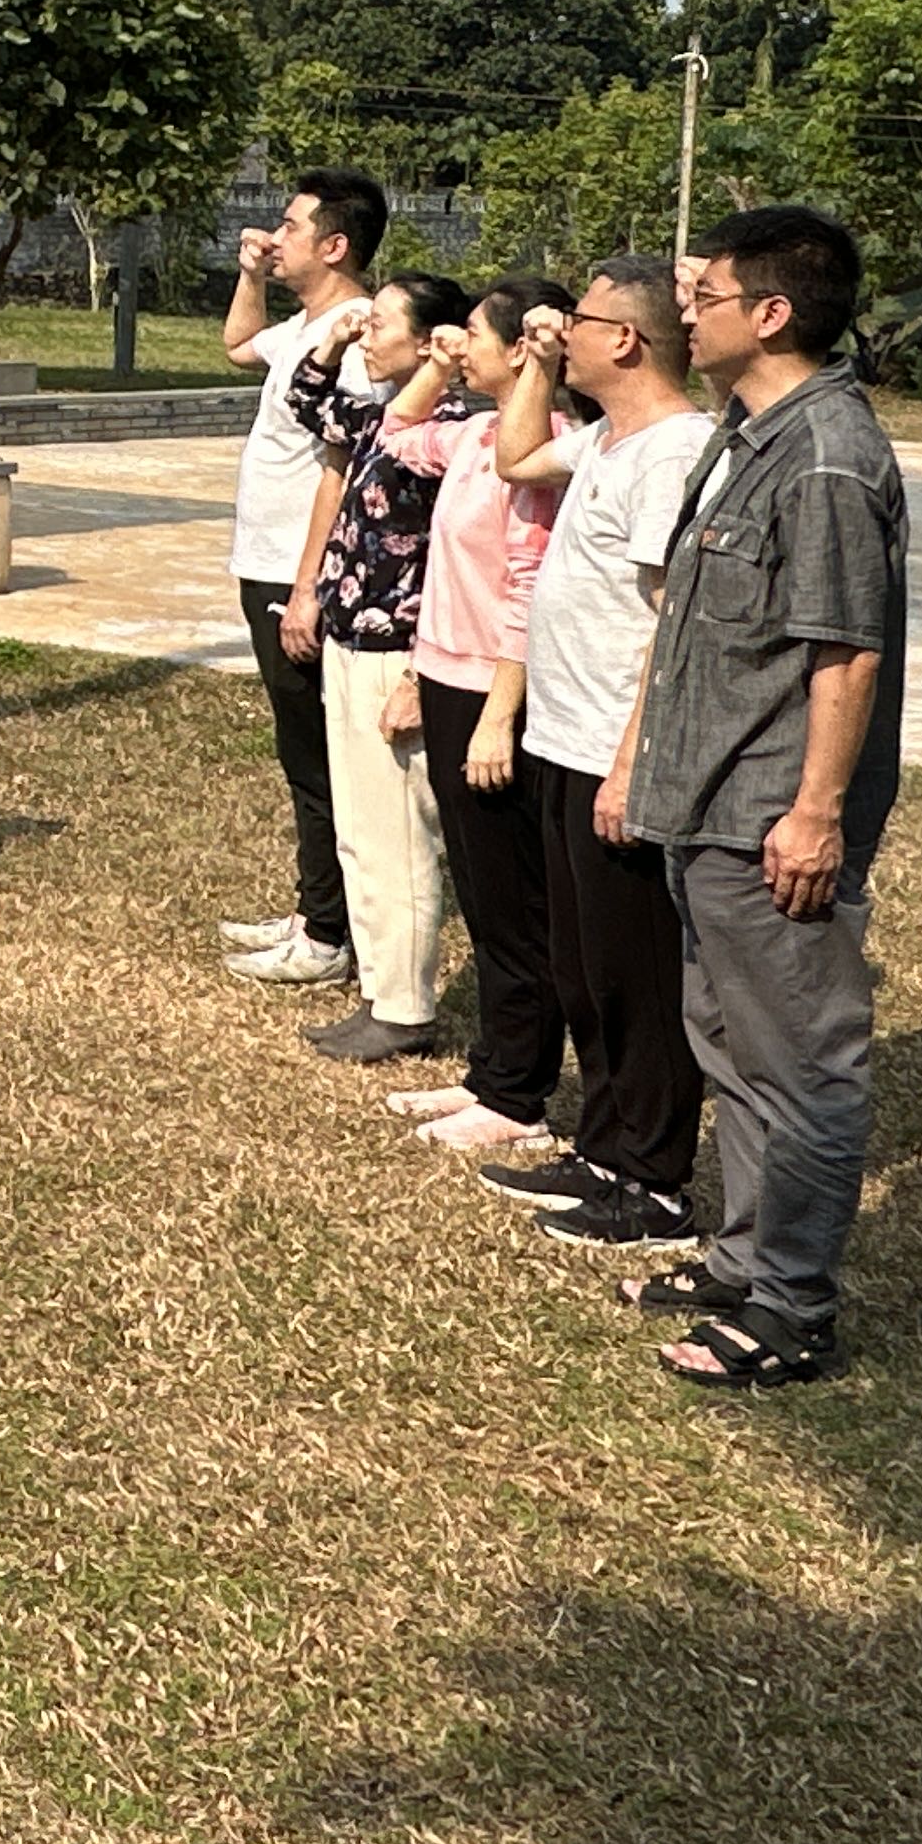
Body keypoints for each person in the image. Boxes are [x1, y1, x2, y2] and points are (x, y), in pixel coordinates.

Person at [617, 207, 905, 1390]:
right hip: (709, 806)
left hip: (770, 817)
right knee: (732, 1050)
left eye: (710, 298)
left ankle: (792, 1309)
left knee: (804, 1071)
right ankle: (741, 1261)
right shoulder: (749, 435)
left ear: (773, 315)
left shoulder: (827, 454)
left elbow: (847, 649)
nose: (687, 314)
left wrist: (816, 812)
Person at [469, 256, 717, 1251]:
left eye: (577, 318)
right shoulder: (610, 439)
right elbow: (517, 457)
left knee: (637, 975)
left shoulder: (673, 452)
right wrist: (536, 364)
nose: (561, 327)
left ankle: (654, 1183)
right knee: (585, 967)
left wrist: (631, 760)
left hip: (617, 752)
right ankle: (604, 1151)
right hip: (562, 741)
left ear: (626, 338)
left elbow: (670, 627)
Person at [363, 281, 579, 1151]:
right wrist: (442, 367)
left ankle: (519, 1097)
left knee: (511, 899)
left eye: (477, 337)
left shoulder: (541, 450)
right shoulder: (479, 434)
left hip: (497, 693)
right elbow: (395, 433)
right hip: (450, 681)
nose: (463, 347)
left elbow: (528, 590)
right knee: (486, 898)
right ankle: (493, 1074)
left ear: (521, 352)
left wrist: (498, 716)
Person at [278, 269, 477, 1063]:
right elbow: (307, 403)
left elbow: (457, 563)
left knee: (396, 833)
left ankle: (403, 1006)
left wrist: (419, 676)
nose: (368, 333)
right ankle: (380, 988)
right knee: (362, 831)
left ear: (432, 345)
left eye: (382, 322)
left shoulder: (451, 432)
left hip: (396, 650)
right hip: (351, 641)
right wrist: (332, 337)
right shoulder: (381, 417)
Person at [217, 168, 390, 988]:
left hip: (299, 571)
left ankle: (329, 932)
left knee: (319, 755)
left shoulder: (357, 340)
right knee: (301, 749)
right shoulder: (305, 326)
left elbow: (341, 466)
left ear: (334, 245)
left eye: (290, 227)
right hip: (267, 563)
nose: (274, 235)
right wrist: (251, 275)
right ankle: (313, 909)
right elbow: (236, 346)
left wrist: (309, 585)